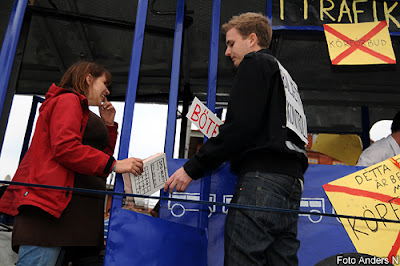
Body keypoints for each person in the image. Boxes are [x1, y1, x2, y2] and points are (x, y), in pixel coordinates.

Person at [164, 12, 308, 265]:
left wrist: (192, 168)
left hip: (262, 181)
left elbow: (240, 127)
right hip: (292, 183)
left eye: (231, 43)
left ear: (252, 39)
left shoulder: (254, 63)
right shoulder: (285, 77)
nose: (227, 52)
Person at [0, 60, 144, 266]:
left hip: (68, 216)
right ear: (88, 79)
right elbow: (66, 147)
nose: (108, 91)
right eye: (105, 84)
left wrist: (109, 126)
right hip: (50, 213)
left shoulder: (82, 109)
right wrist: (115, 165)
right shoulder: (69, 100)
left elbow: (94, 158)